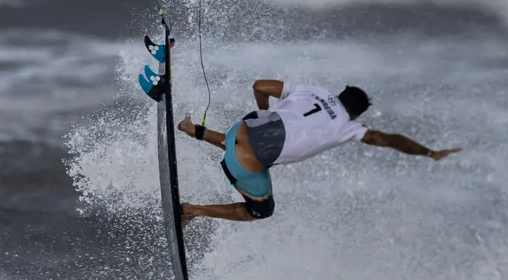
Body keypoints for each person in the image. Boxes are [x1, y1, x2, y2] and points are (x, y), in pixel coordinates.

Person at [144, 76, 461, 223]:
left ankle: (191, 130)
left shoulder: (313, 90)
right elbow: (391, 140)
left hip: (242, 130)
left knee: (253, 142)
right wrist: (430, 153)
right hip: (248, 159)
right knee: (261, 211)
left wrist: (264, 111)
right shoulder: (349, 127)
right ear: (358, 114)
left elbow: (260, 86)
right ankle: (192, 210)